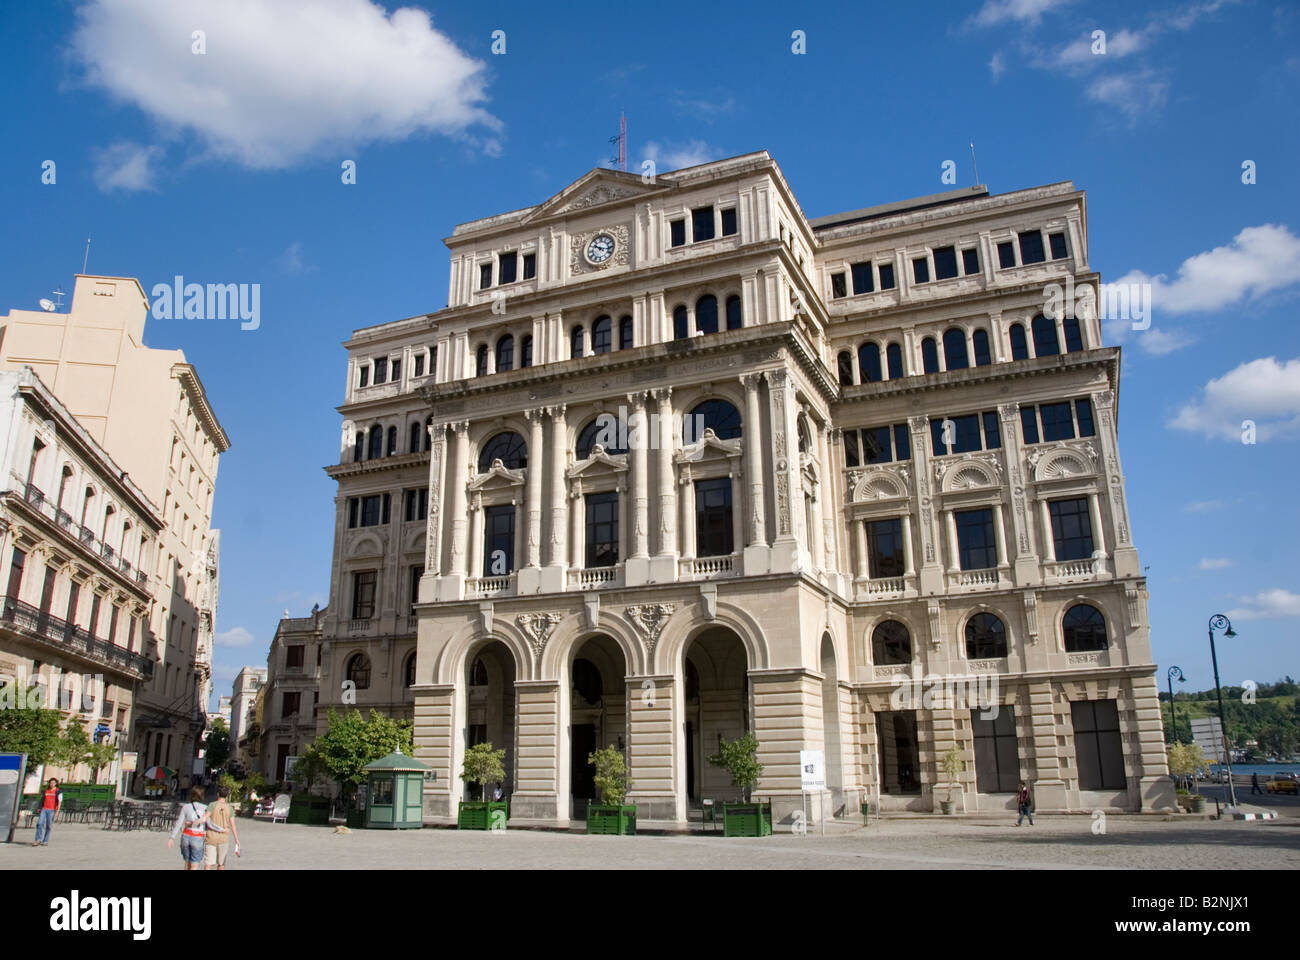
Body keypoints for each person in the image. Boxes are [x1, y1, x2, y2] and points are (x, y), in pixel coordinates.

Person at [168, 786, 225, 870]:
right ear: (202, 796)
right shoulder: (205, 808)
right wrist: (221, 829)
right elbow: (210, 824)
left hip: (186, 836)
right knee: (194, 865)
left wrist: (172, 838)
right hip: (198, 837)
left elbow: (179, 824)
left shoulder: (186, 807)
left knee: (187, 863)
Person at [203, 785, 240, 871]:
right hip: (223, 838)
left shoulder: (212, 805)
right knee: (221, 863)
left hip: (211, 837)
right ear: (227, 796)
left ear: (217, 794)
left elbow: (205, 818)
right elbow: (232, 825)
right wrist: (236, 840)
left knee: (208, 863)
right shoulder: (229, 808)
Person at [32, 777, 62, 847]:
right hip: (44, 809)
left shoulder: (58, 791)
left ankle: (45, 840)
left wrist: (57, 811)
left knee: (48, 825)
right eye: (51, 783)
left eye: (53, 783)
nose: (52, 784)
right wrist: (39, 807)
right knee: (39, 823)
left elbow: (60, 801)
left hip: (52, 810)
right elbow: (42, 799)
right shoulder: (46, 791)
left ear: (56, 784)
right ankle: (38, 839)